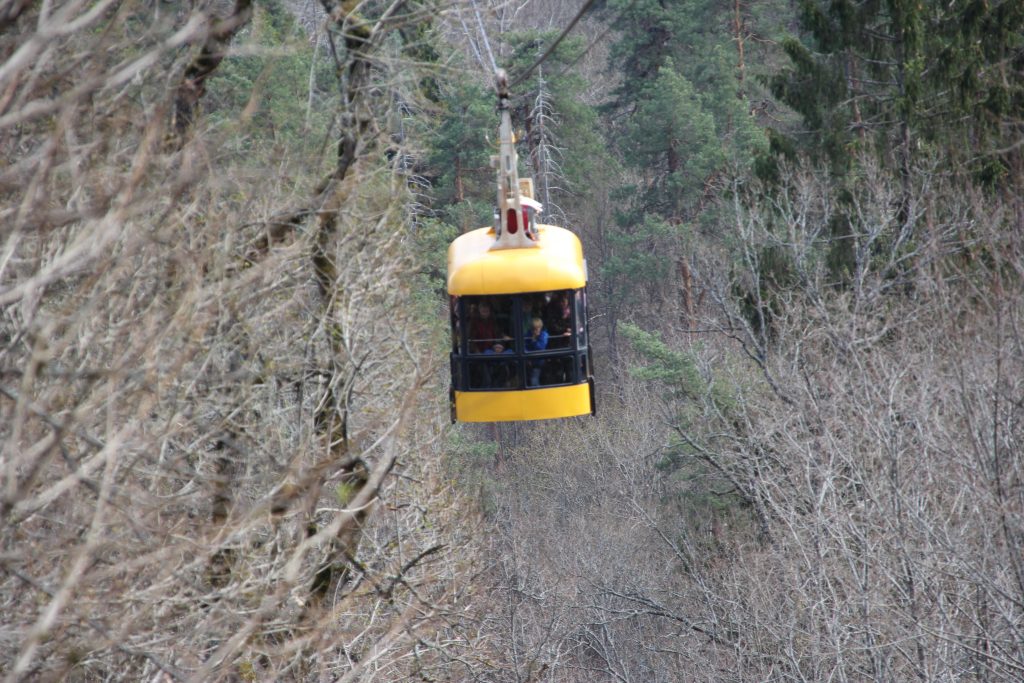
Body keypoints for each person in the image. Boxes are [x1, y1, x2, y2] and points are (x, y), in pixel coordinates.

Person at [524, 317, 548, 386]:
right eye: (534, 329)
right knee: (528, 379)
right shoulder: (528, 334)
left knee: (534, 380)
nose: (536, 330)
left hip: (539, 361)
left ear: (541, 327)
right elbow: (524, 346)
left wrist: (534, 340)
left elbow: (541, 348)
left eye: (538, 328)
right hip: (529, 361)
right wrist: (527, 358)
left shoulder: (544, 335)